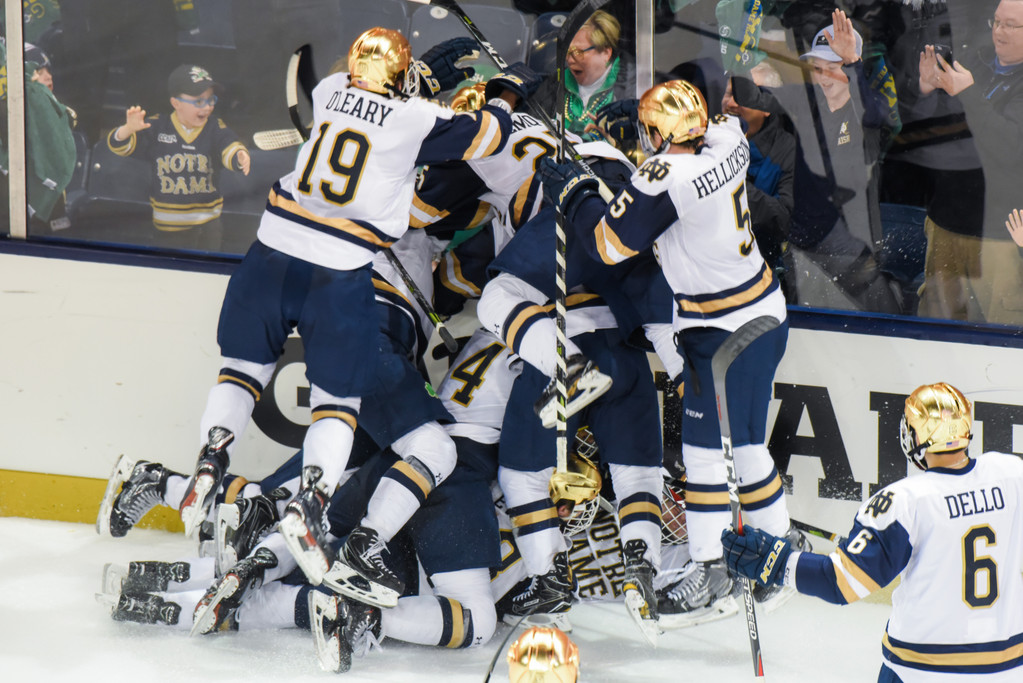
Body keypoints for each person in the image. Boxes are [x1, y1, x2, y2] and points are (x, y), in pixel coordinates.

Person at [174, 26, 538, 600]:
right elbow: (483, 136)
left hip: (271, 249)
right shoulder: (417, 128)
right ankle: (309, 507)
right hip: (343, 274)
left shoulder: (328, 92)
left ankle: (212, 461)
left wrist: (423, 78)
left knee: (241, 372)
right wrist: (505, 92)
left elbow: (380, 110)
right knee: (343, 409)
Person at [538, 78, 805, 626]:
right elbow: (711, 127)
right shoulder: (727, 139)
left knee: (713, 456)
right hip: (758, 313)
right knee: (739, 447)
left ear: (659, 135)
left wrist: (578, 194)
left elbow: (609, 244)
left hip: (724, 332)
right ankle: (777, 549)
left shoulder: (667, 174)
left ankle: (720, 567)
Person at [722, 382, 1023, 682]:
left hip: (922, 670)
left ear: (915, 435)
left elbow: (839, 582)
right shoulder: (1011, 474)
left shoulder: (905, 502)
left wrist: (772, 561)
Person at [786, 10, 902, 314]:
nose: (824, 77)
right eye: (817, 68)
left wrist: (852, 62)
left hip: (851, 247)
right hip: (805, 244)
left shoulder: (867, 112)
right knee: (810, 328)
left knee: (878, 325)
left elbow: (873, 116)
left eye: (833, 68)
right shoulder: (808, 106)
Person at [918, 0, 1023, 326]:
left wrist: (970, 94)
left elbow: (1010, 148)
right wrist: (925, 89)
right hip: (945, 223)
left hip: (998, 237)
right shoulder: (974, 60)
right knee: (932, 331)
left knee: (997, 336)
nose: (999, 31)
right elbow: (921, 135)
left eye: (1010, 25)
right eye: (996, 22)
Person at [107, 63, 251, 251]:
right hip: (168, 228)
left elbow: (227, 144)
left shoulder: (214, 126)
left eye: (211, 100)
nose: (207, 107)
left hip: (208, 224)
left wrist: (239, 155)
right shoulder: (157, 127)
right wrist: (127, 130)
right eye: (198, 101)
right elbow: (119, 147)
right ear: (176, 103)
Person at [719, 62, 796, 299]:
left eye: (744, 95)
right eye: (729, 93)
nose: (732, 103)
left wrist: (732, 184)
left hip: (764, 278)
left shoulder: (790, 150)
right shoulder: (701, 141)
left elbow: (785, 221)